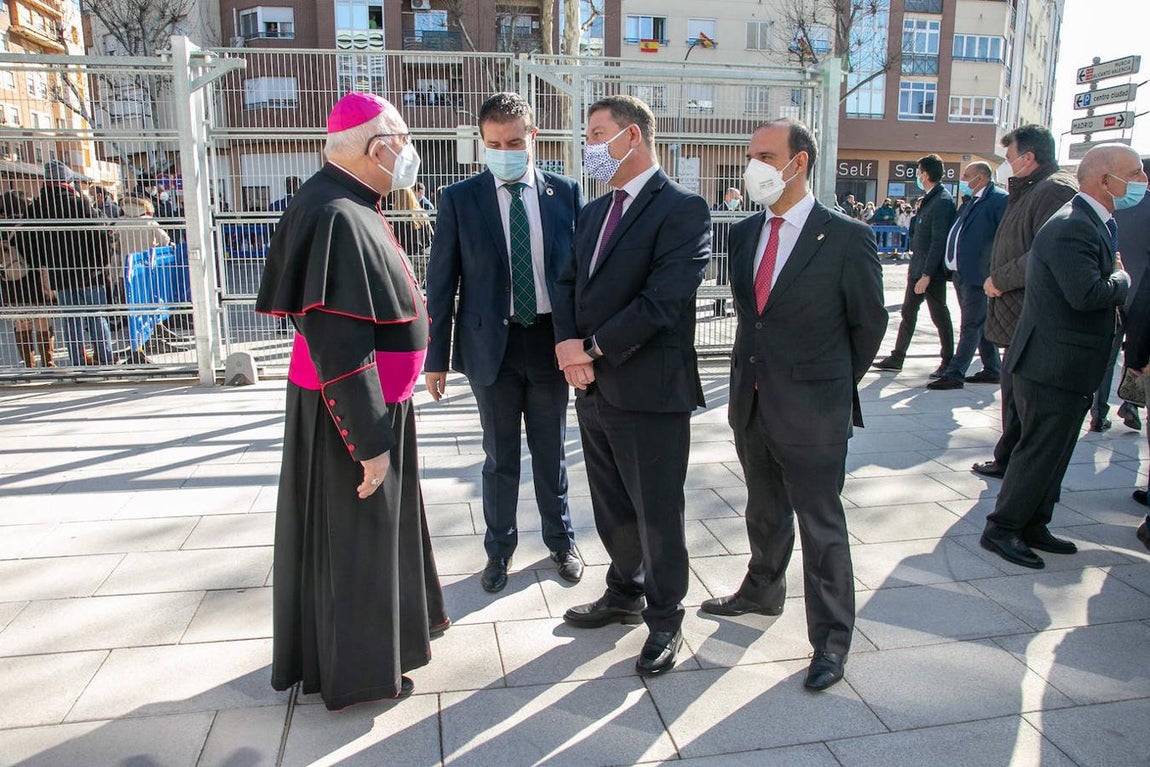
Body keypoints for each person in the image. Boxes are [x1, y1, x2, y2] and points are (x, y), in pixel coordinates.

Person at [255, 92, 448, 711]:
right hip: (352, 413)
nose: (409, 151)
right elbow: (340, 343)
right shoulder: (336, 213)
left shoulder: (347, 199)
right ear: (378, 147)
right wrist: (369, 443)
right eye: (403, 139)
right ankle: (360, 674)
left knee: (377, 537)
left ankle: (389, 645)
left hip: (373, 404)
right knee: (358, 545)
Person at [701, 119, 885, 692]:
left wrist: (828, 386)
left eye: (764, 155)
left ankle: (831, 640)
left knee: (820, 524)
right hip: (752, 401)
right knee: (763, 509)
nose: (751, 165)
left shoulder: (846, 237)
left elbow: (868, 325)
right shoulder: (746, 234)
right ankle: (762, 589)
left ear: (798, 162)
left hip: (814, 408)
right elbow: (752, 318)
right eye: (750, 154)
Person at [552, 94, 710, 677]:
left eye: (598, 133)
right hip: (592, 387)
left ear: (633, 136)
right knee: (611, 502)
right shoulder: (594, 211)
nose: (589, 145)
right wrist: (568, 347)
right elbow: (567, 284)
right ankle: (624, 591)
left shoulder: (683, 209)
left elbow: (662, 301)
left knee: (656, 510)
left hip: (649, 390)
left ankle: (665, 617)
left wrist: (592, 348)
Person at [424, 92, 584, 593]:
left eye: (514, 142)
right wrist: (435, 357)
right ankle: (499, 551)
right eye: (493, 144)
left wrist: (582, 343)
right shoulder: (460, 198)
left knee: (551, 451)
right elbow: (441, 283)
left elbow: (580, 277)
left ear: (533, 136)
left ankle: (561, 541)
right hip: (490, 347)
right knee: (499, 457)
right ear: (481, 142)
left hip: (550, 343)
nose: (505, 151)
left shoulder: (565, 193)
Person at [979, 145, 1142, 570]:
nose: (1143, 182)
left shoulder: (1093, 221)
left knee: (1055, 453)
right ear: (1105, 180)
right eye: (1135, 174)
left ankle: (1034, 524)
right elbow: (1087, 293)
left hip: (1067, 364)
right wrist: (1122, 278)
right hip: (1051, 366)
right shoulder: (1073, 226)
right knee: (1038, 453)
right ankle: (1002, 528)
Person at [973, 126, 1078, 479]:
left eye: (1009, 157)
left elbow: (1046, 253)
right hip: (1017, 312)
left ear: (1028, 157)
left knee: (1023, 400)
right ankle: (1009, 460)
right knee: (1013, 395)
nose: (1007, 164)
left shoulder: (1054, 190)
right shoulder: (1032, 189)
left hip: (1030, 313)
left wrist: (999, 280)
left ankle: (1018, 469)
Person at [17, 160, 114, 366]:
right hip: (89, 274)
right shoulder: (81, 204)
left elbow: (23, 241)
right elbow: (102, 236)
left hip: (60, 275)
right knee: (97, 318)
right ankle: (106, 361)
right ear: (68, 181)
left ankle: (78, 363)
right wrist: (101, 262)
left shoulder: (36, 208)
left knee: (71, 320)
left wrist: (42, 262)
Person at [927, 162, 1009, 390]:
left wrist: (994, 271)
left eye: (966, 176)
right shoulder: (971, 201)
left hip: (979, 274)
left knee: (970, 324)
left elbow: (1004, 237)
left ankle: (955, 373)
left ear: (981, 177)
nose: (963, 180)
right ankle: (993, 368)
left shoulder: (998, 200)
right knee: (979, 323)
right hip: (961, 273)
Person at [873, 154, 955, 377]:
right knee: (908, 313)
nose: (917, 176)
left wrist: (927, 274)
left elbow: (938, 241)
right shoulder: (928, 199)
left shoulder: (942, 201)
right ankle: (897, 356)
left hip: (930, 272)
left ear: (925, 175)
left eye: (918, 172)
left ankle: (948, 360)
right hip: (917, 268)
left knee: (939, 315)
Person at [1092, 156, 1150, 434]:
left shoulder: (1114, 206)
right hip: (1142, 295)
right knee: (1138, 352)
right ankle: (1130, 403)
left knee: (1107, 355)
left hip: (1112, 289)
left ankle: (1097, 412)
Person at [0, 190, 54, 367]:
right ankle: (48, 363)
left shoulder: (2, 228)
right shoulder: (31, 224)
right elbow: (43, 253)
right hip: (35, 280)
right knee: (42, 321)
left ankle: (29, 366)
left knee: (22, 324)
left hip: (11, 284)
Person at [711, 186, 742, 317]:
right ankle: (719, 308)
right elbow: (720, 234)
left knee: (734, 279)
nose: (737, 201)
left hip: (732, 252)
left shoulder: (735, 210)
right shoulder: (721, 210)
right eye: (735, 198)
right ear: (727, 197)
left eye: (738, 198)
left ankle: (734, 308)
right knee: (723, 279)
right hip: (723, 251)